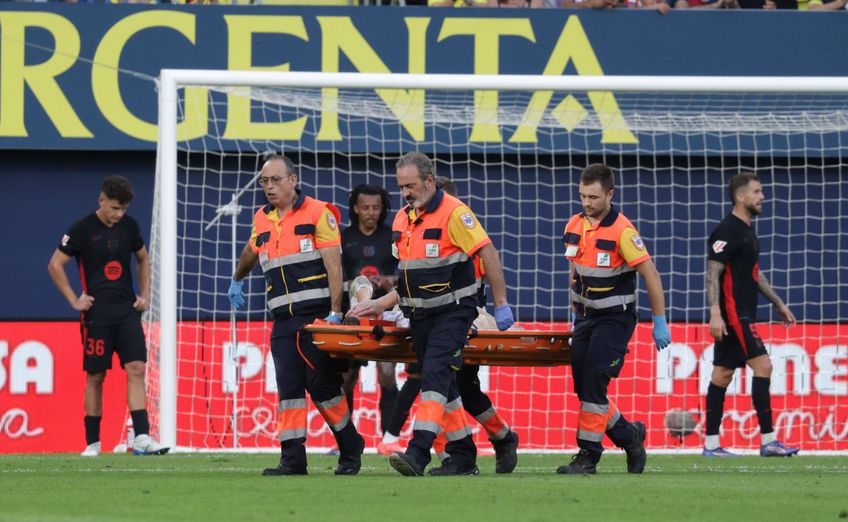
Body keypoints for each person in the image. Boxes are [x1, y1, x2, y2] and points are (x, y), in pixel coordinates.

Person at [351, 152, 516, 476]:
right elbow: (411, 279)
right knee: (456, 387)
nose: (406, 193)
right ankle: (475, 450)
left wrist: (502, 303)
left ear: (429, 180)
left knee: (436, 377)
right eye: (401, 187)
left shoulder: (455, 214)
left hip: (455, 312)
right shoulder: (402, 220)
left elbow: (488, 252)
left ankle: (418, 452)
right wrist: (382, 303)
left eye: (411, 185)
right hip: (421, 316)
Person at [227, 155, 364, 476]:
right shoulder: (262, 218)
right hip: (283, 320)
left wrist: (334, 312)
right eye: (264, 182)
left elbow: (334, 265)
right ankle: (292, 458)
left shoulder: (319, 213)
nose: (269, 187)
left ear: (293, 180)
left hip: (316, 318)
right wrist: (237, 278)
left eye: (275, 180)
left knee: (322, 386)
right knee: (288, 388)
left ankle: (349, 443)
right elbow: (252, 249)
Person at [559, 163, 670, 475]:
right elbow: (573, 269)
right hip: (584, 318)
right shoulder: (574, 225)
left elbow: (651, 275)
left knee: (594, 382)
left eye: (593, 197)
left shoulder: (623, 231)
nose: (587, 203)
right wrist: (574, 312)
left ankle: (588, 455)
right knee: (585, 390)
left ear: (609, 194)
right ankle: (629, 435)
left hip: (614, 320)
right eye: (582, 196)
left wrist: (659, 320)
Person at [47, 175, 169, 457]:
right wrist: (74, 299)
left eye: (123, 209)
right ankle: (92, 443)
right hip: (96, 315)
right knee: (96, 375)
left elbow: (143, 258)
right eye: (114, 208)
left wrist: (145, 295)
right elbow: (55, 265)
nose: (119, 214)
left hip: (127, 312)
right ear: (101, 200)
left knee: (137, 369)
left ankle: (141, 437)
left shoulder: (130, 226)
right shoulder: (82, 229)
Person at [703, 171, 800, 458]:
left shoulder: (747, 231)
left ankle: (711, 446)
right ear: (740, 196)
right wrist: (715, 313)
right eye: (757, 192)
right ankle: (769, 441)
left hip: (743, 313)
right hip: (734, 317)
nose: (762, 197)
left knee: (721, 375)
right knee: (764, 366)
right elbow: (713, 273)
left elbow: (754, 275)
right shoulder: (727, 230)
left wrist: (778, 304)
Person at [340, 184, 399, 438]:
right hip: (353, 315)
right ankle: (346, 439)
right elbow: (334, 276)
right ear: (355, 208)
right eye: (365, 207)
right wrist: (351, 285)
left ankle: (389, 437)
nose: (371, 212)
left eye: (376, 207)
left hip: (386, 312)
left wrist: (390, 281)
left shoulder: (392, 236)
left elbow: (406, 272)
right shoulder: (344, 238)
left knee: (387, 373)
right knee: (347, 378)